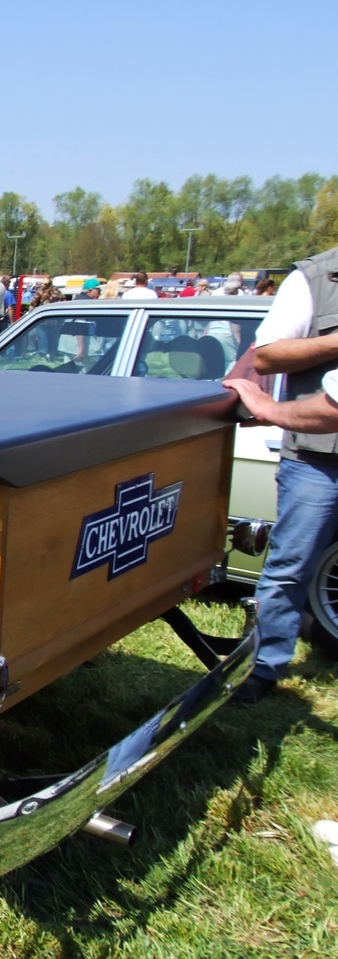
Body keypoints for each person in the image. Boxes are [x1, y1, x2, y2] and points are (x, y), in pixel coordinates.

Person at [228, 247, 338, 702]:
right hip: (318, 453)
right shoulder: (315, 277)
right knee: (291, 563)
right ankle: (265, 666)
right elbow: (267, 354)